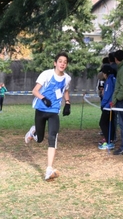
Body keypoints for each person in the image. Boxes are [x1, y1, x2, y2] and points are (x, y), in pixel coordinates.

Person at [24, 52, 71, 181]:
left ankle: (49, 169)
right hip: (41, 109)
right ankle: (33, 131)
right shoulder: (47, 74)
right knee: (39, 139)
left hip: (54, 112)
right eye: (60, 61)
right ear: (55, 63)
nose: (62, 63)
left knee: (52, 137)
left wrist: (67, 103)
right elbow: (35, 91)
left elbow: (66, 90)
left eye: (65, 62)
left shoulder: (67, 78)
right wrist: (43, 99)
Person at [98, 64, 117, 150]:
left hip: (108, 106)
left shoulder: (109, 81)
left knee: (102, 123)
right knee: (110, 123)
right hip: (111, 105)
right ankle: (110, 140)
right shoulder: (113, 79)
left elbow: (107, 93)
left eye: (103, 73)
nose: (102, 75)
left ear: (106, 73)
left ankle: (108, 141)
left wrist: (103, 104)